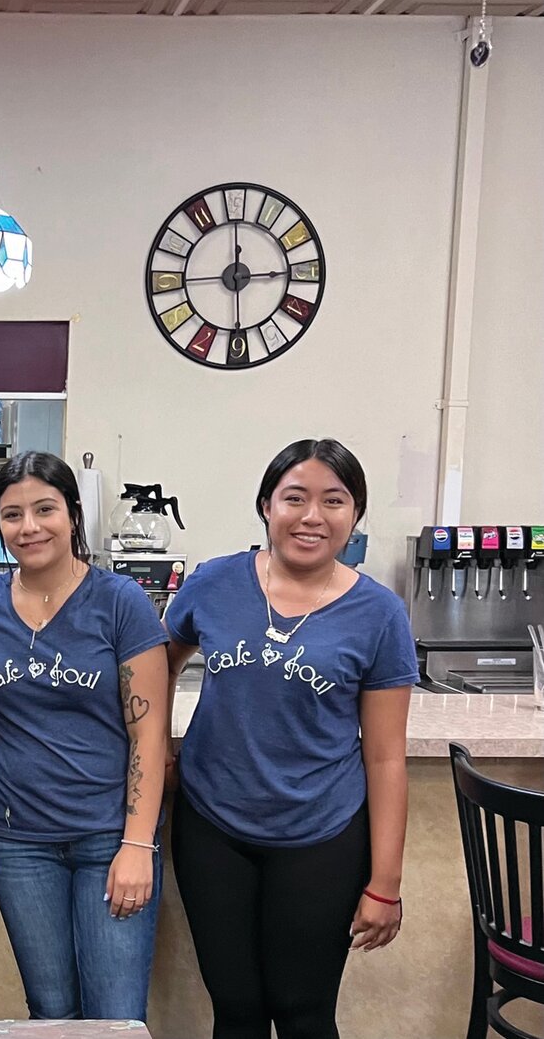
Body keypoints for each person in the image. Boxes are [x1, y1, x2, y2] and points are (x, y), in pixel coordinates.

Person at [166, 438, 416, 1039]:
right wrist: (159, 752)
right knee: (237, 1011)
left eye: (334, 500)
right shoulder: (213, 583)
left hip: (321, 836)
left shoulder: (379, 614)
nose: (312, 516)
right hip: (211, 826)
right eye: (295, 498)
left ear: (355, 515)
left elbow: (384, 758)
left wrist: (386, 884)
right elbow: (156, 668)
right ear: (265, 506)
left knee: (303, 1013)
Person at [0, 451, 169, 1022]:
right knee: (51, 1012)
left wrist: (137, 846)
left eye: (45, 509)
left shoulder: (120, 603)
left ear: (73, 514)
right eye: (13, 515)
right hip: (19, 841)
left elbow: (150, 734)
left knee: (115, 1017)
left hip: (109, 839)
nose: (29, 527)